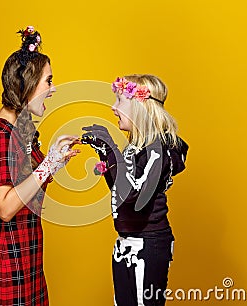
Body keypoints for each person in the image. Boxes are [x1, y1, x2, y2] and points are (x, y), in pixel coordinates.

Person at [0, 26, 80, 306]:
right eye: (48, 81)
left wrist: (53, 161)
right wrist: (47, 166)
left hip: (27, 262)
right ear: (28, 85)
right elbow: (5, 208)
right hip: (5, 269)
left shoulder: (19, 132)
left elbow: (26, 189)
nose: (53, 89)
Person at [82, 74, 188, 306]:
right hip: (126, 242)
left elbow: (133, 195)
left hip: (147, 245)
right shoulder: (137, 147)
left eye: (120, 101)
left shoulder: (158, 150)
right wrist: (105, 152)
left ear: (140, 106)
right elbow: (121, 193)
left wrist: (110, 149)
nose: (113, 107)